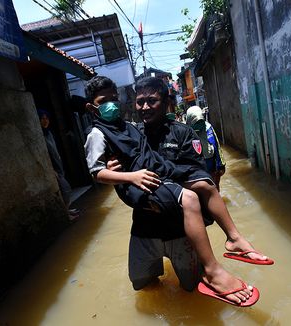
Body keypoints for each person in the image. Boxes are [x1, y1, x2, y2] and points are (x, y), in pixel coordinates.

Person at [84, 76, 270, 306]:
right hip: (145, 228)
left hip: (180, 230)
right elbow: (107, 172)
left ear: (167, 102)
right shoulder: (129, 132)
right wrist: (120, 173)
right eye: (140, 102)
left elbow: (196, 173)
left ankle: (226, 252)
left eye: (152, 101)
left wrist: (150, 179)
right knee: (145, 289)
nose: (144, 107)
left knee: (192, 291)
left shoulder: (182, 133)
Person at [37, 109, 79, 221]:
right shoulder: (40, 135)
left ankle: (67, 209)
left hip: (58, 167)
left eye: (47, 118)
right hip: (53, 169)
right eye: (42, 119)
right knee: (66, 189)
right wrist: (51, 169)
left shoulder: (48, 133)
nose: (45, 121)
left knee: (63, 190)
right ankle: (66, 214)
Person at [186, 106, 226, 191]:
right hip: (197, 167)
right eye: (195, 120)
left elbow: (216, 146)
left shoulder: (208, 127)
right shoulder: (186, 132)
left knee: (214, 188)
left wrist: (221, 165)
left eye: (200, 120)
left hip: (211, 163)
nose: (199, 123)